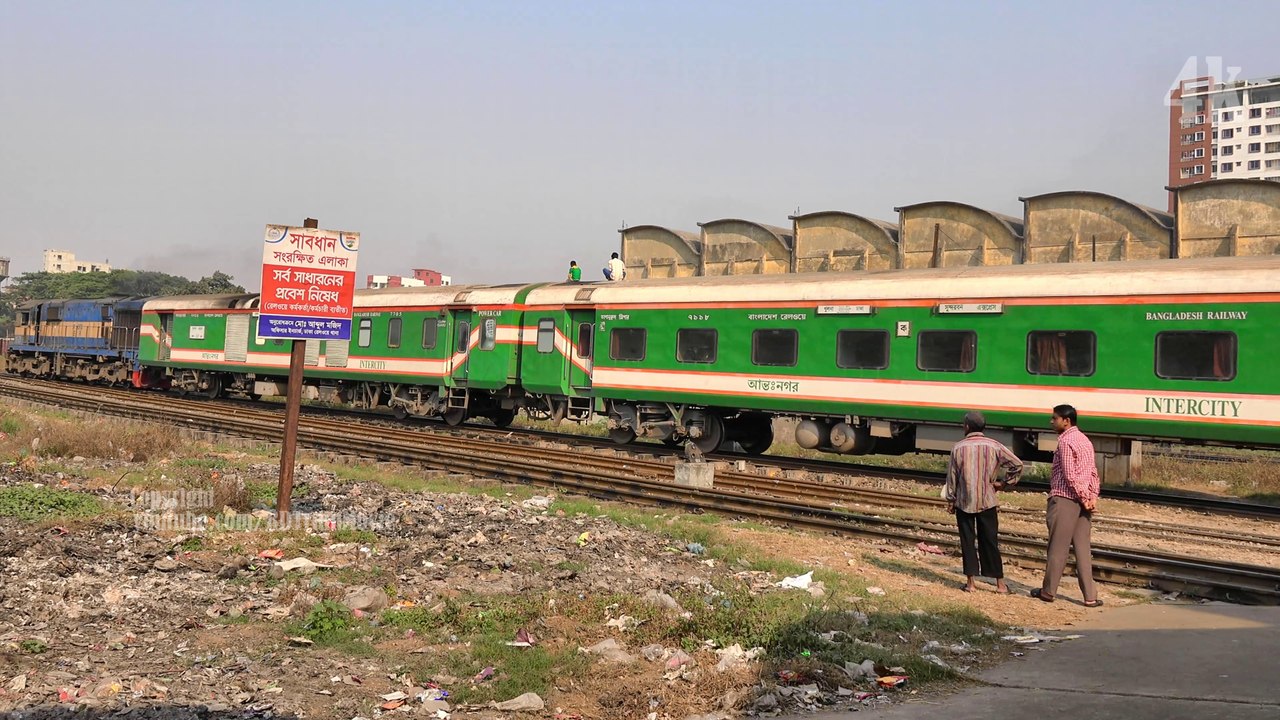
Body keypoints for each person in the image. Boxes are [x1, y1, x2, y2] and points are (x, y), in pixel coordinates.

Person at [1032, 404, 1103, 607]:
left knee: (1057, 548)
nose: (1051, 422)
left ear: (1066, 420)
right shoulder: (1085, 440)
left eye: (1054, 418)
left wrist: (1082, 497)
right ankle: (1090, 596)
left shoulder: (1065, 442)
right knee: (1082, 549)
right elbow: (1093, 473)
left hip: (1065, 499)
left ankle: (1048, 592)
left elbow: (1070, 475)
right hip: (1084, 503)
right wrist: (1091, 498)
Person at [944, 410, 1022, 593]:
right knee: (990, 541)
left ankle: (971, 583)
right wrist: (1003, 483)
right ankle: (1000, 584)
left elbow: (952, 477)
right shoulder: (994, 446)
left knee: (967, 541)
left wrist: (951, 499)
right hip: (988, 500)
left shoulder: (958, 448)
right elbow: (1016, 464)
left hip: (964, 501)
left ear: (967, 426)